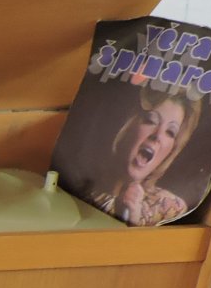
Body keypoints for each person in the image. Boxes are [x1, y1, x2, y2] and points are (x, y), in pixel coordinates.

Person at [87, 90, 202, 226]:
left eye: (170, 132)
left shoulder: (170, 208)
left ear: (171, 150)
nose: (158, 136)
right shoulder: (86, 186)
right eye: (151, 121)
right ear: (129, 126)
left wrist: (133, 220)